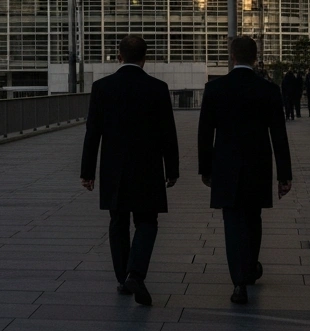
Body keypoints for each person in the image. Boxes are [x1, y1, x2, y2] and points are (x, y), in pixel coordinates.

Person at [80, 34, 180, 306]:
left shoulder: (102, 87)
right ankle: (136, 272)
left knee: (118, 222)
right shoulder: (158, 88)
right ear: (144, 58)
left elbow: (93, 133)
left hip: (114, 169)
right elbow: (167, 134)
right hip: (148, 168)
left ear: (119, 56)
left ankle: (124, 278)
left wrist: (87, 171)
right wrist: (172, 169)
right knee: (147, 221)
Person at [198, 36, 293, 304]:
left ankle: (239, 281)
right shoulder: (268, 90)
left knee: (232, 221)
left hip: (225, 164)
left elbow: (205, 133)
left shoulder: (215, 89)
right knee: (253, 218)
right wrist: (284, 175)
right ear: (255, 58)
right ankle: (250, 267)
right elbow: (279, 135)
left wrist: (205, 169)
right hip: (258, 164)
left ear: (232, 57)